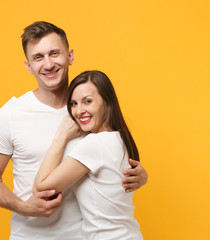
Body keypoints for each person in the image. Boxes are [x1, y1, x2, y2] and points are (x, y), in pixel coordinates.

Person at [0, 21, 148, 240]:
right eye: (38, 57)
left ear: (70, 56)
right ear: (28, 66)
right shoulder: (11, 114)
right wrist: (23, 207)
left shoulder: (88, 110)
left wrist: (138, 174)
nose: (48, 64)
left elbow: (111, 152)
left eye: (54, 53)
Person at [33, 70, 143, 239]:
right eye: (74, 104)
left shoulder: (94, 144)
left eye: (87, 101)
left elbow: (42, 188)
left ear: (106, 102)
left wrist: (60, 137)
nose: (78, 111)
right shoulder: (121, 138)